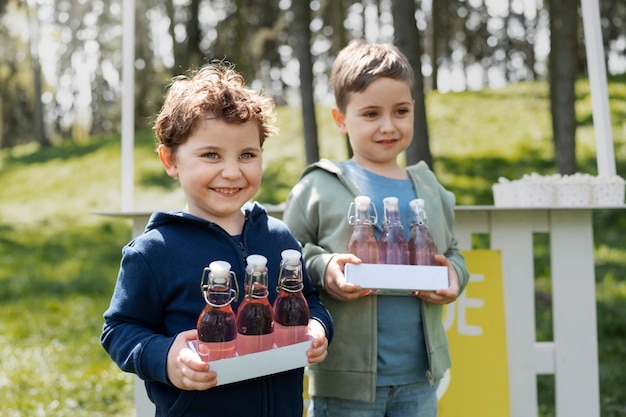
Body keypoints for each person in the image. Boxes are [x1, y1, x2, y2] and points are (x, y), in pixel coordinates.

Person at [101, 63, 333, 417]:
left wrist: (318, 327)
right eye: (211, 155)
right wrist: (166, 358)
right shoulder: (153, 252)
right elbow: (119, 330)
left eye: (247, 155)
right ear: (170, 159)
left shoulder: (279, 237)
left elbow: (311, 302)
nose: (231, 171)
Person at [282, 39, 470, 417]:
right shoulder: (318, 186)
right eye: (370, 114)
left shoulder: (430, 187)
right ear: (340, 119)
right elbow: (288, 257)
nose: (388, 126)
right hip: (342, 381)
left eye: (401, 111)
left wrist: (454, 275)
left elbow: (452, 254)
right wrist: (325, 267)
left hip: (420, 378)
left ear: (414, 110)